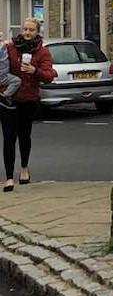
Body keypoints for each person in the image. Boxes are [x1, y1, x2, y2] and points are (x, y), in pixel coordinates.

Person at [1, 19, 56, 192]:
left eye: (31, 30)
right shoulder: (11, 47)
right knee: (9, 138)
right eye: (24, 29)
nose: (26, 32)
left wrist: (35, 71)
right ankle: (9, 178)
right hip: (8, 99)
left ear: (37, 32)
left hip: (29, 99)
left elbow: (49, 75)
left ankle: (24, 168)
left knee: (25, 136)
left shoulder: (43, 52)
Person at [0, 41, 21, 109]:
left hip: (4, 73)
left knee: (16, 81)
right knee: (17, 81)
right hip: (3, 75)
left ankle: (5, 97)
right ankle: (4, 97)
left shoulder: (3, 45)